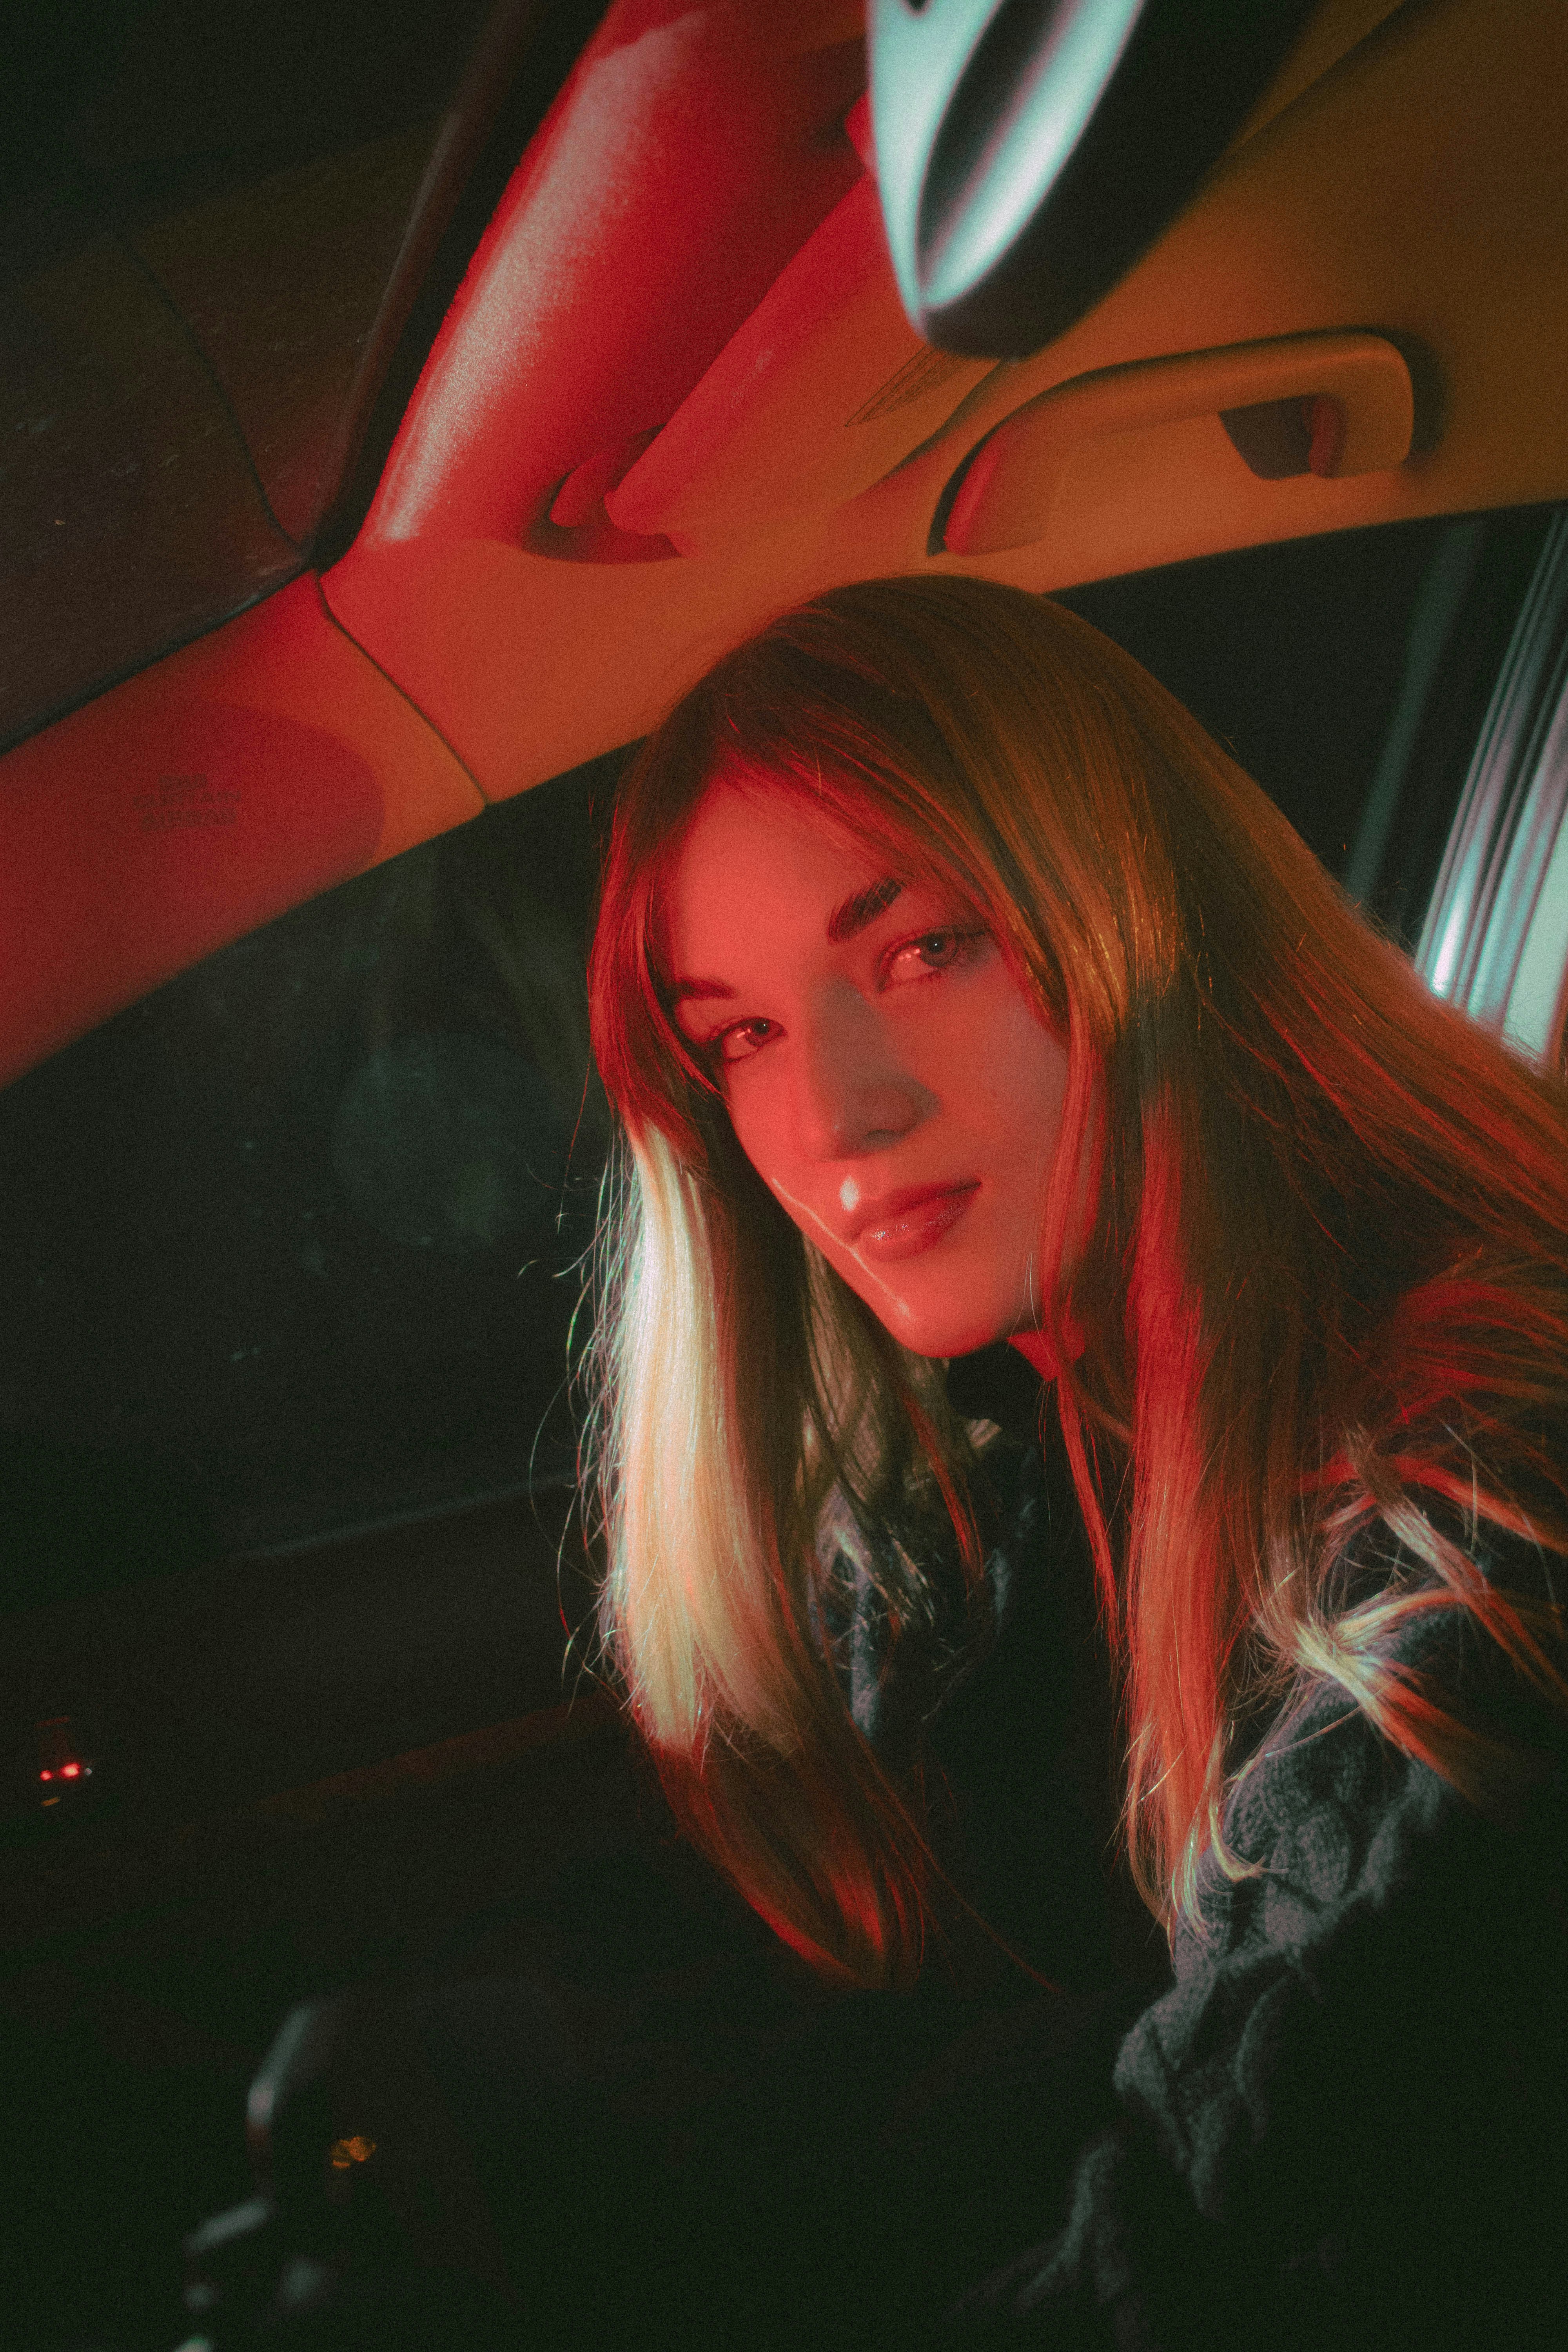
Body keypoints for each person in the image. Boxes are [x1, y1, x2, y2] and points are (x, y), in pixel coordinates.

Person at [570, 573, 1568, 2349]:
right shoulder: (1030, 1449)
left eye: (922, 949)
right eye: (741, 1035)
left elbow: (1232, 2231)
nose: (833, 1115)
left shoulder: (1480, 1480)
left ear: (1140, 907)